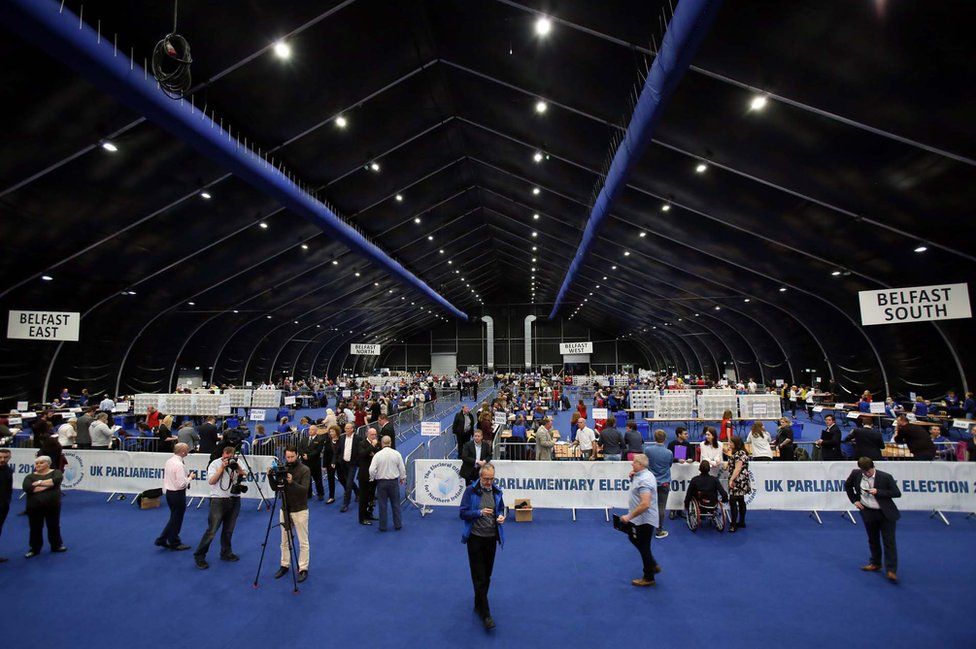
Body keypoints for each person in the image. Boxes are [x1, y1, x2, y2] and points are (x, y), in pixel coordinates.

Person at [459, 463, 505, 630]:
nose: (489, 482)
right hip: (475, 539)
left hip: (491, 538)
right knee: (478, 576)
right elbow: (462, 512)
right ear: (480, 477)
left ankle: (478, 603)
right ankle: (486, 614)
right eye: (486, 479)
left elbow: (500, 509)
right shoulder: (471, 491)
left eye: (492, 479)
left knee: (487, 575)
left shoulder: (497, 491)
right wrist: (479, 513)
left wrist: (500, 516)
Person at [844, 457, 901, 582]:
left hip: (885, 513)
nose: (867, 474)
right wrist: (854, 500)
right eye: (864, 472)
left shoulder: (885, 477)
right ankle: (875, 563)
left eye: (868, 471)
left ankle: (891, 570)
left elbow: (897, 493)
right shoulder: (856, 474)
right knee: (873, 539)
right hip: (868, 512)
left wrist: (878, 491)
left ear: (873, 467)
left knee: (889, 541)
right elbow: (847, 486)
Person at [193, 446, 247, 569]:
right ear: (223, 454)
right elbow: (211, 481)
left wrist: (237, 466)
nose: (228, 459)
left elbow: (245, 475)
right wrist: (221, 468)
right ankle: (199, 556)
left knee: (229, 529)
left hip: (234, 499)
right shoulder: (215, 463)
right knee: (212, 530)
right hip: (218, 500)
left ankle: (226, 552)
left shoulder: (237, 462)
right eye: (226, 456)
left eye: (230, 457)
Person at [270, 447, 310, 583]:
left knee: (302, 541)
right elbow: (275, 488)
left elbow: (304, 491)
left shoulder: (305, 470)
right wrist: (271, 476)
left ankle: (303, 568)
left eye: (292, 457)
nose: (290, 460)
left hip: (300, 509)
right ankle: (284, 565)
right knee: (284, 540)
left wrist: (292, 482)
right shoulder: (283, 468)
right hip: (285, 508)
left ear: (297, 455)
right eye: (288, 457)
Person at [619, 454, 660, 587]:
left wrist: (629, 516)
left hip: (645, 519)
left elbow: (645, 504)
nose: (632, 464)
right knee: (633, 538)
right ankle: (652, 565)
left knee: (644, 547)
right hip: (640, 519)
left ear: (641, 465)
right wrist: (633, 476)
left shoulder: (645, 480)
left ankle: (648, 576)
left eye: (634, 462)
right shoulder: (641, 475)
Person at [23, 456, 67, 558]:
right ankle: (35, 548)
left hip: (52, 505)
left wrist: (38, 483)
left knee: (53, 526)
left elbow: (56, 481)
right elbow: (27, 488)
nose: (38, 465)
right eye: (37, 463)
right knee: (35, 528)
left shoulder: (56, 472)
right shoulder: (29, 476)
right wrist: (48, 485)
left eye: (41, 463)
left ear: (48, 464)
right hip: (34, 506)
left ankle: (56, 545)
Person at [155, 442, 192, 551]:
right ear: (183, 451)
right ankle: (172, 541)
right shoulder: (179, 465)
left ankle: (166, 539)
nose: (188, 451)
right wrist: (190, 478)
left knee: (174, 518)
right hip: (178, 494)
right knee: (176, 519)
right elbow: (181, 484)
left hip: (170, 493)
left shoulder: (169, 461)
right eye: (187, 449)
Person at [369, 435, 406, 532]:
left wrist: (373, 477)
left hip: (381, 483)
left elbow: (371, 469)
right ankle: (398, 525)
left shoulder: (377, 455)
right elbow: (402, 468)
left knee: (382, 505)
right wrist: (402, 478)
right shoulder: (396, 453)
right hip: (393, 482)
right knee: (396, 504)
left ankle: (383, 526)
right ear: (390, 443)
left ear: (381, 443)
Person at [642, 429, 673, 539]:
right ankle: (659, 530)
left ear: (655, 438)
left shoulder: (648, 450)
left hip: (651, 483)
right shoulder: (669, 452)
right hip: (664, 483)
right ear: (665, 439)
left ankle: (646, 528)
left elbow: (644, 463)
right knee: (661, 508)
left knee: (647, 506)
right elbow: (670, 465)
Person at [727, 436, 751, 532]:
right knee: (741, 500)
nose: (729, 444)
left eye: (731, 443)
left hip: (738, 481)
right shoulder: (740, 453)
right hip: (742, 480)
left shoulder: (739, 454)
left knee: (733, 502)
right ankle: (741, 522)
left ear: (736, 444)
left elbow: (737, 468)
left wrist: (731, 480)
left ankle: (733, 524)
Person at [357, 428, 380, 525]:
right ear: (367, 434)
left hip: (374, 475)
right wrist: (372, 446)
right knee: (363, 498)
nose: (374, 436)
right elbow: (362, 454)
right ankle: (362, 518)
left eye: (375, 434)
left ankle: (369, 513)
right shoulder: (361, 443)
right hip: (364, 475)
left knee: (371, 497)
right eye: (372, 434)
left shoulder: (378, 444)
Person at [299, 425, 327, 501]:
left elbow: (318, 451)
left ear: (315, 431)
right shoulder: (304, 439)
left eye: (312, 430)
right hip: (305, 463)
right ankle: (308, 493)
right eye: (309, 429)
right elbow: (300, 448)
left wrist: (308, 456)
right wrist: (303, 455)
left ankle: (320, 493)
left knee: (317, 479)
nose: (310, 431)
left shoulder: (320, 439)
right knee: (307, 479)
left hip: (315, 463)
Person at [337, 423, 359, 512]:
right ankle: (358, 493)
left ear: (352, 429)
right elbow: (339, 451)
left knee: (349, 483)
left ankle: (345, 504)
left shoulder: (358, 438)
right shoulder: (342, 438)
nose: (346, 430)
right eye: (345, 428)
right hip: (344, 463)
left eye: (348, 428)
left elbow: (359, 451)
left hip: (353, 464)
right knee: (348, 481)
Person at [0, 449, 12, 562]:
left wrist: (7, 502)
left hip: (3, 506)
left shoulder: (8, 471)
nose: (2, 460)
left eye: (5, 457)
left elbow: (9, 489)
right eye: (0, 457)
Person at [323, 425, 339, 504]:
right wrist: (324, 465)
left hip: (339, 464)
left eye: (333, 431)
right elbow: (325, 453)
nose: (331, 433)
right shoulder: (328, 441)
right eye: (330, 432)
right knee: (331, 480)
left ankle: (354, 491)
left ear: (337, 432)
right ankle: (331, 497)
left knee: (343, 479)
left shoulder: (341, 440)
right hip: (330, 464)